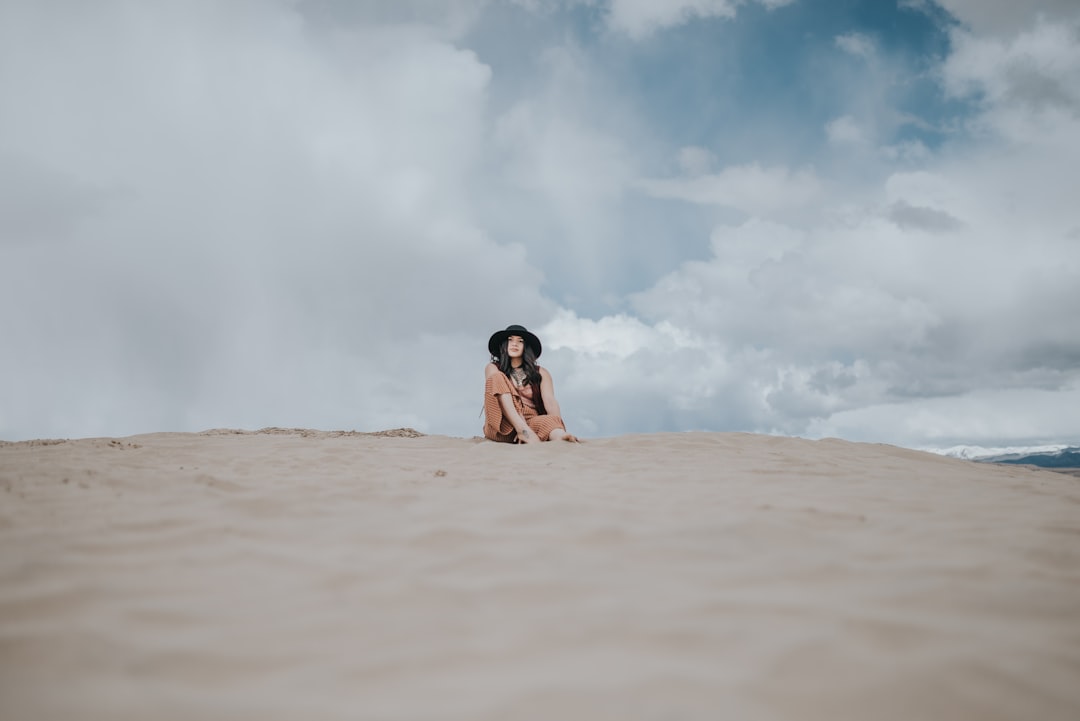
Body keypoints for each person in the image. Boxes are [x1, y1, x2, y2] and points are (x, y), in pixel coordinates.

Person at [483, 324, 579, 444]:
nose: (514, 344)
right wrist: (522, 427)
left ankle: (562, 438)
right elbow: (494, 387)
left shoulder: (541, 372)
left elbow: (550, 402)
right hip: (503, 424)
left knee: (549, 423)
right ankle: (523, 431)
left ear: (525, 346)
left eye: (520, 341)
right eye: (510, 340)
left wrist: (557, 425)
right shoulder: (493, 368)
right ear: (504, 345)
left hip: (532, 422)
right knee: (497, 377)